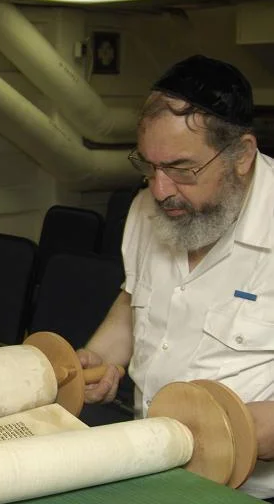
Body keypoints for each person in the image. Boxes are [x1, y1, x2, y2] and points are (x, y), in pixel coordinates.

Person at [79, 55, 274, 500]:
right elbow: (134, 298)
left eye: (183, 169)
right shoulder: (146, 209)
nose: (160, 190)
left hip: (251, 492)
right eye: (149, 167)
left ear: (242, 155)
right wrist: (103, 356)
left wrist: (256, 429)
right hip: (151, 467)